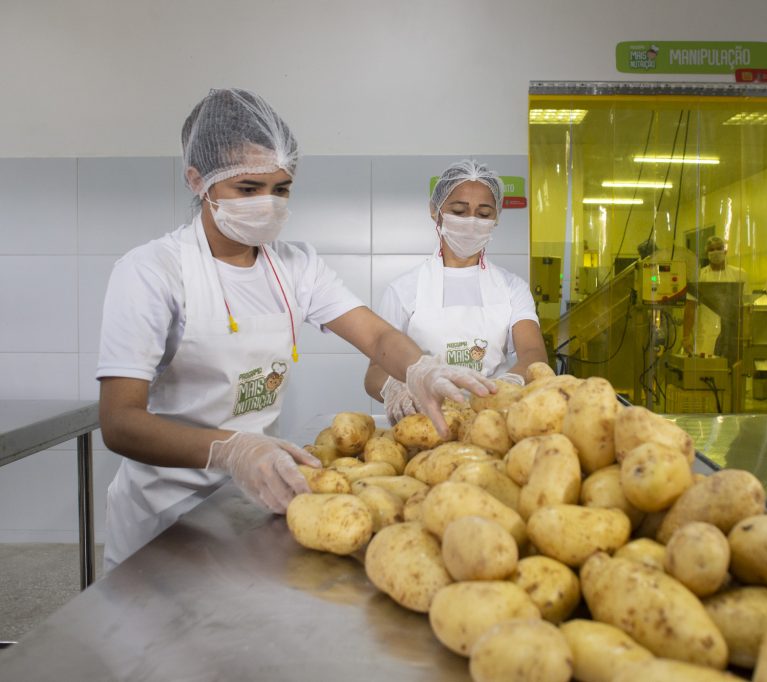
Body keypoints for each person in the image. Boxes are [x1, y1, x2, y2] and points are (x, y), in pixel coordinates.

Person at [96, 89, 494, 570]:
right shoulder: (152, 272)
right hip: (161, 522)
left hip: (256, 501)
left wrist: (422, 369)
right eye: (247, 189)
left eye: (280, 189)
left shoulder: (295, 265)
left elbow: (377, 337)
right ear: (197, 180)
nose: (267, 204)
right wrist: (231, 448)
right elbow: (119, 423)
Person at [364, 160, 548, 424]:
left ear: (495, 219)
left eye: (483, 214)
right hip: (425, 423)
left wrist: (509, 383)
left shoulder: (512, 288)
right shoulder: (404, 289)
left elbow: (534, 354)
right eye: (459, 211)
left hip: (491, 421)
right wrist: (398, 386)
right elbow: (374, 373)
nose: (471, 222)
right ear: (435, 211)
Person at [695, 236, 749, 362]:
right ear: (707, 254)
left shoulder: (739, 273)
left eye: (719, 248)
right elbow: (691, 306)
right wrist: (687, 336)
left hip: (733, 332)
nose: (716, 252)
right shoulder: (700, 275)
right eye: (712, 249)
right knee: (706, 367)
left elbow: (746, 305)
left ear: (725, 251)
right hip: (705, 330)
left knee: (730, 367)